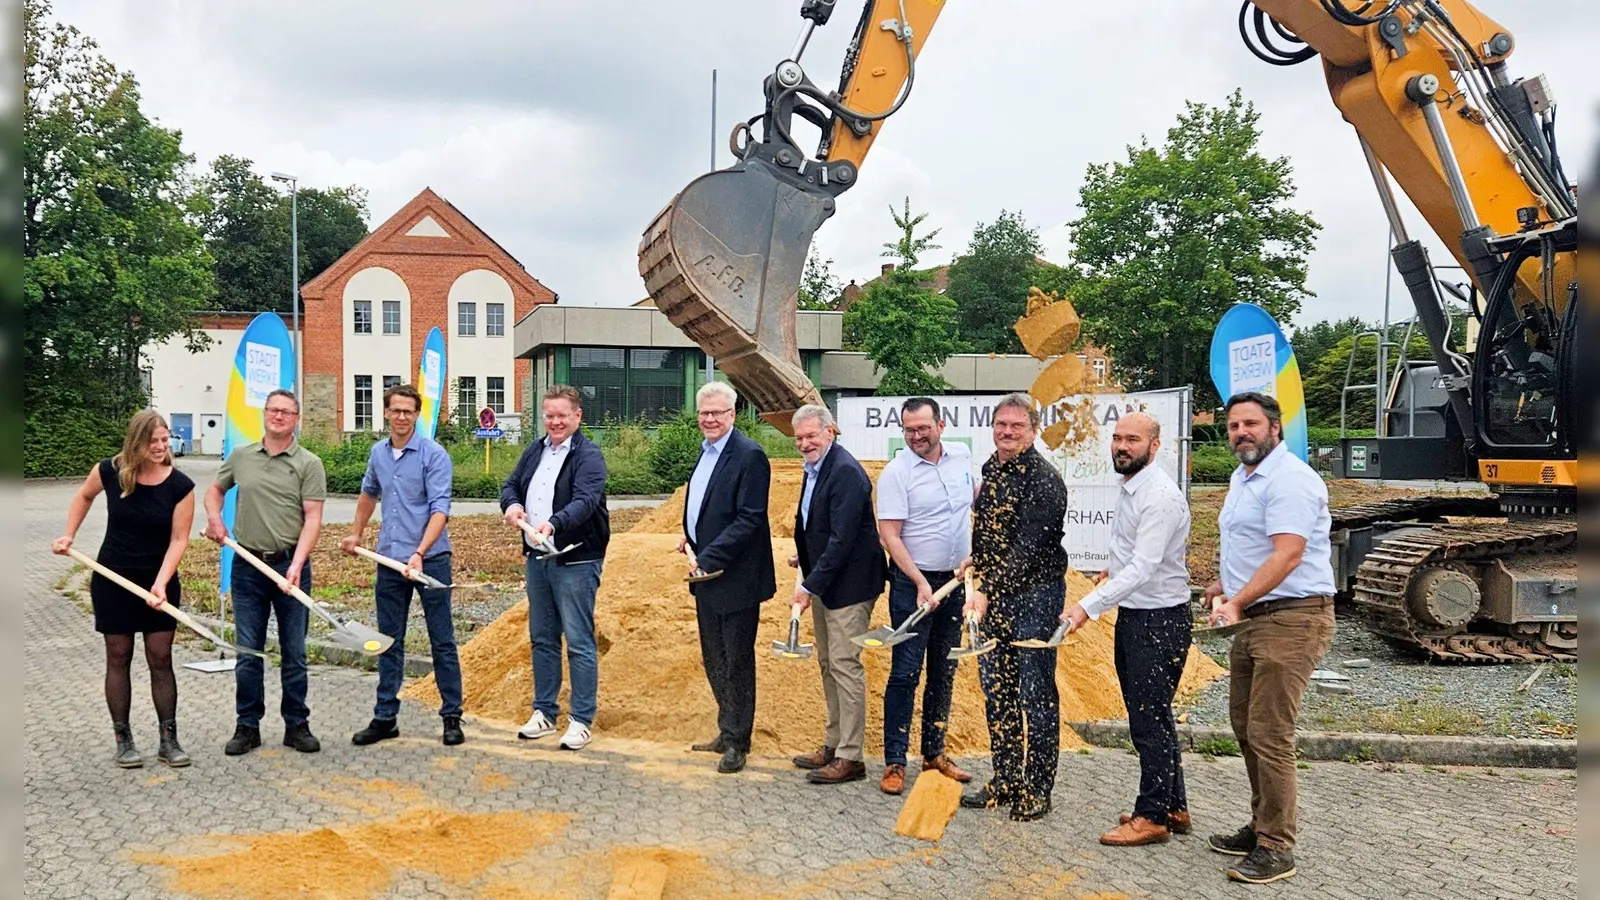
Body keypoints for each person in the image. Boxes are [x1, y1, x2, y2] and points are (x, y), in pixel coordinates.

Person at [1203, 391, 1337, 885]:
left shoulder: (1292, 480)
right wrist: (1225, 586)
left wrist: (1237, 601)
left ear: (1275, 428)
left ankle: (1278, 846)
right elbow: (1250, 544)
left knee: (1270, 732)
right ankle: (1262, 825)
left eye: (1251, 424)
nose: (1242, 432)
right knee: (1244, 724)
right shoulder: (1244, 477)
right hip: (1255, 614)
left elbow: (1287, 556)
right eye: (1235, 425)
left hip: (1293, 617)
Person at [1061, 411, 1193, 846]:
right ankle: (1174, 805)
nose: (1121, 446)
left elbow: (1143, 568)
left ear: (1154, 446)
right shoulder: (1133, 488)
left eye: (1132, 439)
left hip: (1157, 621)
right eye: (1117, 438)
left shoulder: (1158, 496)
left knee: (1147, 721)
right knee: (1155, 716)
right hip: (1142, 614)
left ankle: (1151, 816)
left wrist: (1086, 606)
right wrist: (1109, 571)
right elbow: (1133, 560)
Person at [54, 410, 195, 769]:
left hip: (158, 580)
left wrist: (161, 583)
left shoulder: (181, 486)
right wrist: (69, 534)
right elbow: (83, 497)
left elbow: (179, 540)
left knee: (160, 657)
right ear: (137, 442)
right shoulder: (110, 471)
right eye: (154, 442)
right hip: (112, 577)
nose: (162, 447)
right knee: (118, 656)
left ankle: (168, 739)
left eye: (165, 440)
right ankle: (123, 738)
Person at [959, 393, 1068, 822]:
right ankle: (1005, 779)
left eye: (1016, 426)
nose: (1007, 432)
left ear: (1033, 430)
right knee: (997, 691)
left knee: (1035, 694)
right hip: (998, 595)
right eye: (1001, 424)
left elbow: (1027, 548)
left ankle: (1038, 788)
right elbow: (991, 530)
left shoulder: (1044, 479)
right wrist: (977, 559)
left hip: (1036, 598)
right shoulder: (992, 469)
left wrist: (986, 588)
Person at [203, 389, 327, 757]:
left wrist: (297, 565)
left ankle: (296, 725)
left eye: (287, 412)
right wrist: (214, 517)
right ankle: (247, 726)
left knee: (294, 652)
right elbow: (214, 491)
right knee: (247, 652)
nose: (279, 417)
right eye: (274, 410)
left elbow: (313, 518)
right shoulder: (241, 457)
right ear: (265, 414)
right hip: (248, 568)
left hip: (290, 567)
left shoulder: (309, 463)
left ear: (296, 419)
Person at [341, 383, 466, 747]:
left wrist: (420, 553)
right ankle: (385, 717)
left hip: (431, 561)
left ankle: (451, 717)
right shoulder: (378, 453)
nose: (401, 416)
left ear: (417, 414)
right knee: (388, 641)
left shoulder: (434, 454)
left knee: (441, 639)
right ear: (386, 412)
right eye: (395, 410)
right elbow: (369, 492)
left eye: (408, 411)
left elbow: (440, 509)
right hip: (389, 559)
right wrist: (356, 533)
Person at [874, 397, 975, 795]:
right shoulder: (896, 474)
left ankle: (934, 754)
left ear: (941, 425)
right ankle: (895, 762)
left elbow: (974, 501)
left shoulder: (962, 457)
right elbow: (890, 535)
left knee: (944, 671)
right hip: (911, 586)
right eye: (909, 430)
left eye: (923, 428)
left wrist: (973, 554)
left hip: (954, 584)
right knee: (905, 672)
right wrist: (918, 581)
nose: (916, 436)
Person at [501, 385, 610, 751]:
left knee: (579, 641)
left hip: (576, 558)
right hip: (537, 559)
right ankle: (544, 712)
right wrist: (513, 506)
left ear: (578, 416)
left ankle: (581, 720)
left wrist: (554, 524)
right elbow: (511, 484)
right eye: (550, 415)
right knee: (543, 638)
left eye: (563, 415)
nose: (556, 422)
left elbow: (586, 500)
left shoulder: (588, 456)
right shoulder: (535, 450)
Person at [786, 404, 886, 786]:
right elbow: (819, 524)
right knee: (828, 663)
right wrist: (806, 556)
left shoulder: (844, 471)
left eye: (812, 435)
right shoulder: (814, 468)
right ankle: (832, 743)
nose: (805, 443)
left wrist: (809, 586)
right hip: (828, 578)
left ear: (830, 432)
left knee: (845, 664)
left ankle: (850, 756)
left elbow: (843, 540)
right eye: (799, 438)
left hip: (851, 585)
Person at [679, 381, 776, 774]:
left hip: (736, 576)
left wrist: (709, 555)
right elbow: (707, 508)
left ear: (733, 414)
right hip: (707, 575)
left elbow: (750, 517)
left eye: (718, 412)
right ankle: (726, 726)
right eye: (704, 413)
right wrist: (688, 537)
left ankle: (739, 741)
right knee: (713, 657)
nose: (710, 419)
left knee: (736, 659)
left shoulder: (750, 456)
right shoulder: (705, 454)